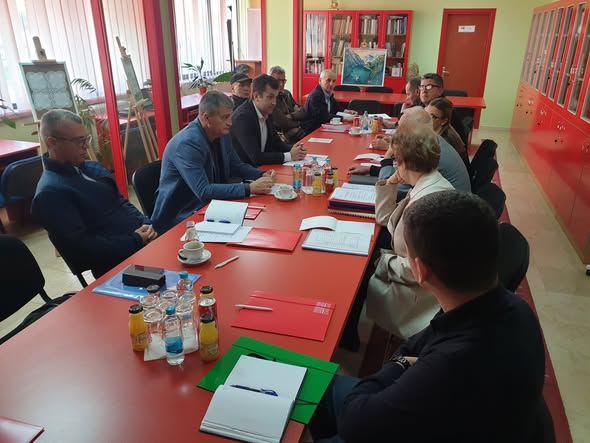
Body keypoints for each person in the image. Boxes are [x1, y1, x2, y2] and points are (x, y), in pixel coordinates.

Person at [310, 191, 546, 443]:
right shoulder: (510, 308)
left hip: (425, 423)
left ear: (420, 271)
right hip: (463, 417)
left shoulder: (453, 363)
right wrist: (405, 362)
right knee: (318, 387)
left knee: (317, 390)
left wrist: (400, 364)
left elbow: (354, 422)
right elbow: (420, 341)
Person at [340, 124, 454, 351]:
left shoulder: (425, 203)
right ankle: (348, 334)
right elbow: (385, 219)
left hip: (419, 295)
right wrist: (390, 183)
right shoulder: (428, 181)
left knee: (354, 270)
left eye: (395, 160)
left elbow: (417, 271)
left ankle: (346, 336)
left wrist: (382, 261)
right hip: (414, 269)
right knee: (364, 257)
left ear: (404, 161)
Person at [32, 109, 157, 278]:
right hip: (116, 267)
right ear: (52, 142)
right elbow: (82, 250)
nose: (86, 145)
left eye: (86, 138)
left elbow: (120, 202)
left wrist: (146, 223)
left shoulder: (92, 168)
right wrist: (135, 240)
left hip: (141, 245)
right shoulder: (51, 193)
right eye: (79, 141)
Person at [151, 91, 275, 233]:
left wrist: (261, 174)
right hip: (181, 217)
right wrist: (249, 188)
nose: (230, 122)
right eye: (225, 117)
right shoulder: (188, 144)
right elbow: (204, 191)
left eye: (230, 116)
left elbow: (236, 165)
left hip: (212, 207)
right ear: (207, 118)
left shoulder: (221, 133)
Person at [347, 107, 471, 194]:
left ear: (415, 132)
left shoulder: (430, 155)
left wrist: (388, 156)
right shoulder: (431, 142)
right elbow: (403, 175)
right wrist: (371, 169)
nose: (397, 133)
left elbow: (391, 189)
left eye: (401, 130)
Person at [231, 74, 306, 166]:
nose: (274, 102)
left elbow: (276, 143)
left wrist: (295, 149)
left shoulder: (267, 110)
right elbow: (256, 157)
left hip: (263, 168)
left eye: (275, 97)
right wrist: (289, 156)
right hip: (246, 171)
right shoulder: (243, 117)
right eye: (270, 97)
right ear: (256, 96)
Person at [268, 65, 307, 143]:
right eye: (278, 80)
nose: (281, 84)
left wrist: (290, 116)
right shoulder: (269, 98)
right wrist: (299, 122)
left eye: (283, 81)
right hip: (281, 134)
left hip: (294, 130)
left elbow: (303, 112)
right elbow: (282, 122)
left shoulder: (287, 94)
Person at [427, 97, 469, 167]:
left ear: (444, 121)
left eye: (432, 117)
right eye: (426, 114)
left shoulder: (445, 141)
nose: (427, 119)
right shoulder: (445, 130)